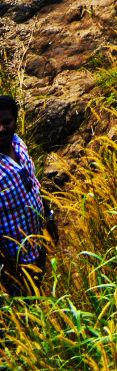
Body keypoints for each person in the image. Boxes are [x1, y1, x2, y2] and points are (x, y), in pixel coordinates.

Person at [0, 95, 48, 296]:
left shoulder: (19, 145)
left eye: (6, 122)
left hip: (37, 244)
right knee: (19, 309)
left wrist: (50, 215)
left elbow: (33, 183)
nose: (1, 129)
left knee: (36, 294)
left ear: (15, 121)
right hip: (13, 260)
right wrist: (7, 261)